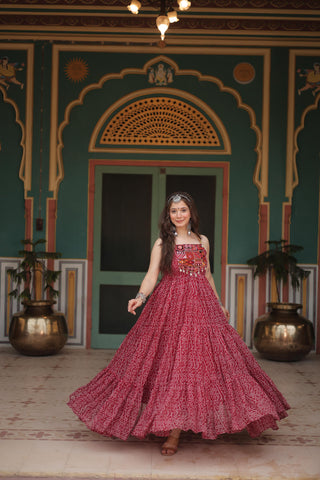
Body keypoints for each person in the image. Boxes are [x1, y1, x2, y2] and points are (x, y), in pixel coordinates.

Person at [68, 192, 290, 456]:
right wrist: (139, 297)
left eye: (183, 210)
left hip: (202, 306)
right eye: (174, 211)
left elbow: (207, 274)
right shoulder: (163, 243)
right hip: (170, 306)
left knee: (203, 363)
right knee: (171, 366)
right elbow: (152, 275)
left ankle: (192, 419)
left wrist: (218, 303)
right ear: (168, 215)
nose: (179, 215)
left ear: (191, 213)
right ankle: (172, 430)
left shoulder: (202, 241)